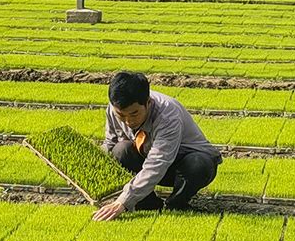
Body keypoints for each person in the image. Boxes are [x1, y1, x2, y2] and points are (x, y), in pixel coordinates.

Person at [92, 71, 222, 222]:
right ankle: (148, 204)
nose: (128, 121)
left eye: (134, 114)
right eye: (121, 115)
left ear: (148, 102)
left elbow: (158, 163)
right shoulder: (114, 109)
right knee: (120, 150)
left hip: (182, 167)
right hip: (148, 159)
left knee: (198, 164)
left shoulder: (167, 116)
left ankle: (175, 204)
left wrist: (123, 201)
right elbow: (110, 144)